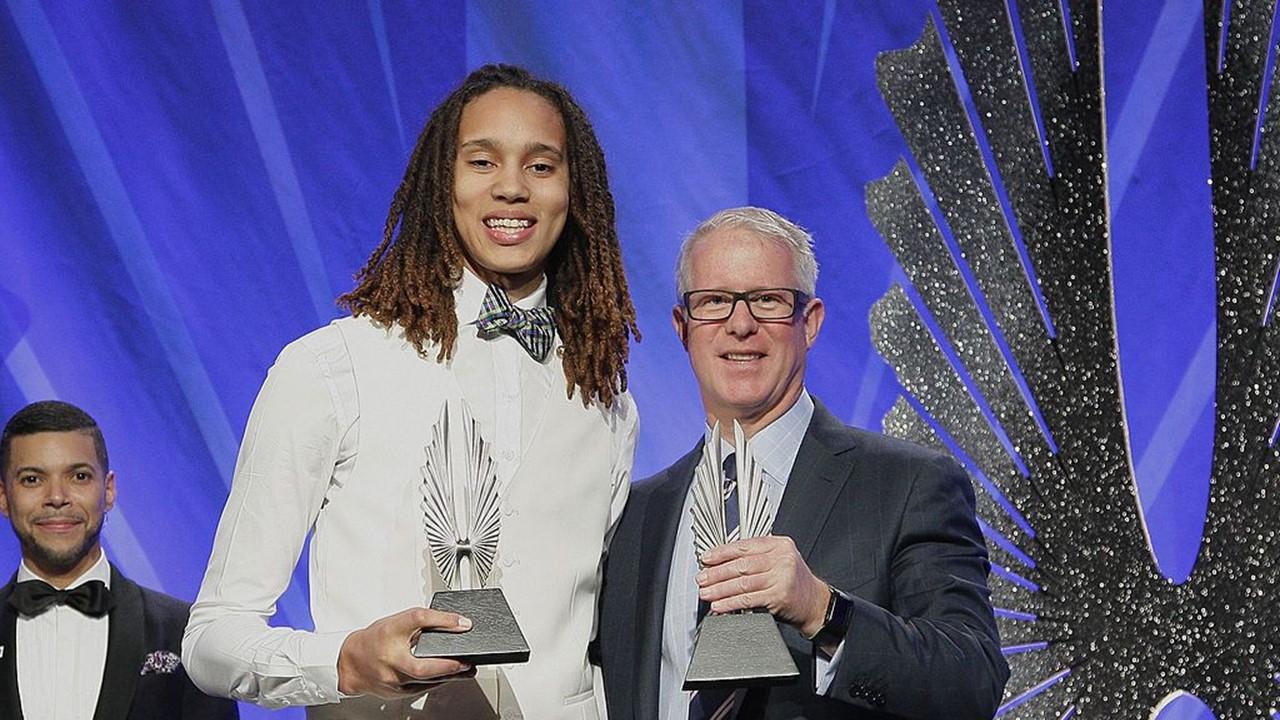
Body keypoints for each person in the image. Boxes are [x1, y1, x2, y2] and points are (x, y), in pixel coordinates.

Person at [182, 64, 639, 720]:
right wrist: (345, 660)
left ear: (577, 191)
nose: (511, 187)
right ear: (440, 182)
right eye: (482, 161)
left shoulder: (606, 397)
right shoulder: (332, 367)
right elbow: (212, 639)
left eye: (542, 166)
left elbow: (595, 643)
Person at [596, 207, 1008, 719]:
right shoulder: (636, 515)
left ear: (808, 322)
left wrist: (823, 610)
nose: (740, 324)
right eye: (715, 301)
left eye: (767, 300)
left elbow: (971, 681)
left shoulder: (908, 485)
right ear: (684, 327)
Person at [0, 400, 238, 720]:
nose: (56, 497)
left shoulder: (185, 633)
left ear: (108, 490)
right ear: (4, 496)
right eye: (32, 479)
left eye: (79, 476)